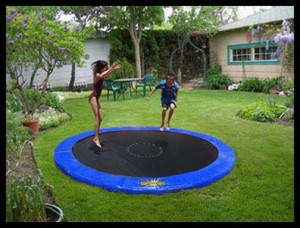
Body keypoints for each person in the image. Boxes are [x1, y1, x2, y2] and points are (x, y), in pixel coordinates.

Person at [89, 60, 121, 148]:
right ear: (101, 68)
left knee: (101, 118)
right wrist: (111, 68)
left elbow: (107, 74)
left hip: (97, 98)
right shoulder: (97, 75)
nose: (106, 69)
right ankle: (96, 138)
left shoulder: (102, 75)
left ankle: (96, 136)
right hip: (93, 98)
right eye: (105, 67)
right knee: (97, 118)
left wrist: (113, 69)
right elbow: (103, 74)